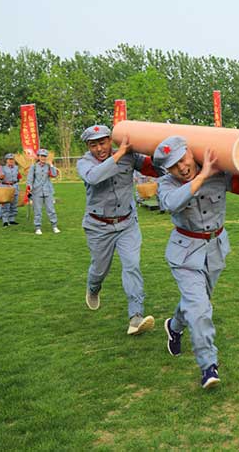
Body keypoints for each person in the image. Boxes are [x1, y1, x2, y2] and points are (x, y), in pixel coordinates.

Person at [154, 136, 239, 390]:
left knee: (196, 303)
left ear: (191, 154)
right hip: (185, 254)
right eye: (173, 166)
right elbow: (170, 204)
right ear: (166, 170)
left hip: (215, 248)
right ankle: (208, 366)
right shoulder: (166, 185)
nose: (181, 167)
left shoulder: (219, 173)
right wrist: (201, 176)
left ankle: (174, 326)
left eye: (183, 159)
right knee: (201, 309)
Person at [76, 125, 158, 335]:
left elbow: (154, 168)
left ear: (110, 140)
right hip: (98, 227)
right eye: (93, 145)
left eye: (103, 142)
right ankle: (93, 288)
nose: (99, 148)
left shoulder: (130, 156)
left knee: (132, 266)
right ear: (88, 146)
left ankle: (136, 316)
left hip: (127, 224)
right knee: (99, 269)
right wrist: (120, 152)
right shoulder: (85, 163)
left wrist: (158, 149)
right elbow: (94, 177)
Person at [26, 148, 60, 235]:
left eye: (45, 156)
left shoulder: (48, 166)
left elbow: (54, 175)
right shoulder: (33, 166)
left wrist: (51, 165)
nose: (43, 158)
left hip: (48, 190)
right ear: (38, 157)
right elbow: (30, 179)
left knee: (51, 209)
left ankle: (54, 226)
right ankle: (38, 227)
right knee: (37, 210)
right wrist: (29, 188)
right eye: (41, 156)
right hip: (37, 191)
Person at [0, 153, 21, 227]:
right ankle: (5, 221)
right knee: (6, 204)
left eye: (12, 159)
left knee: (14, 204)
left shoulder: (16, 167)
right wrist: (0, 177)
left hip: (15, 186)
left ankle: (12, 220)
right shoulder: (2, 168)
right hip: (5, 186)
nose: (11, 161)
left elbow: (18, 177)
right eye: (9, 159)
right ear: (6, 160)